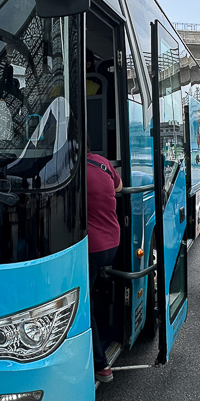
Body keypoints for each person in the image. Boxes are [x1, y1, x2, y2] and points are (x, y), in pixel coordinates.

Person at [86, 149, 122, 383]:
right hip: (113, 241)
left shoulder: (70, 169)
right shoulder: (102, 162)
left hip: (93, 245)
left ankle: (101, 365)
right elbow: (119, 187)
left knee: (82, 305)